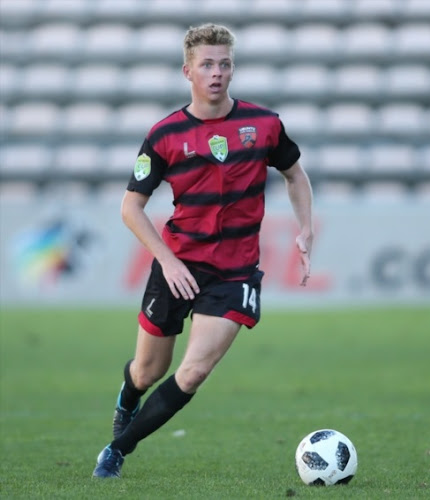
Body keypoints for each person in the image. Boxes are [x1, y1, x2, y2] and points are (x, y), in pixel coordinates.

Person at [92, 23, 313, 478]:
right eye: (207, 64)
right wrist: (167, 261)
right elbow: (131, 207)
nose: (217, 72)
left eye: (224, 63)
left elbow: (295, 175)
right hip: (178, 264)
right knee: (147, 372)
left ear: (233, 69)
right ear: (187, 71)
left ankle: (116, 451)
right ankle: (127, 400)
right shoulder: (165, 134)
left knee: (192, 373)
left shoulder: (264, 125)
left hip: (234, 272)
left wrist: (305, 229)